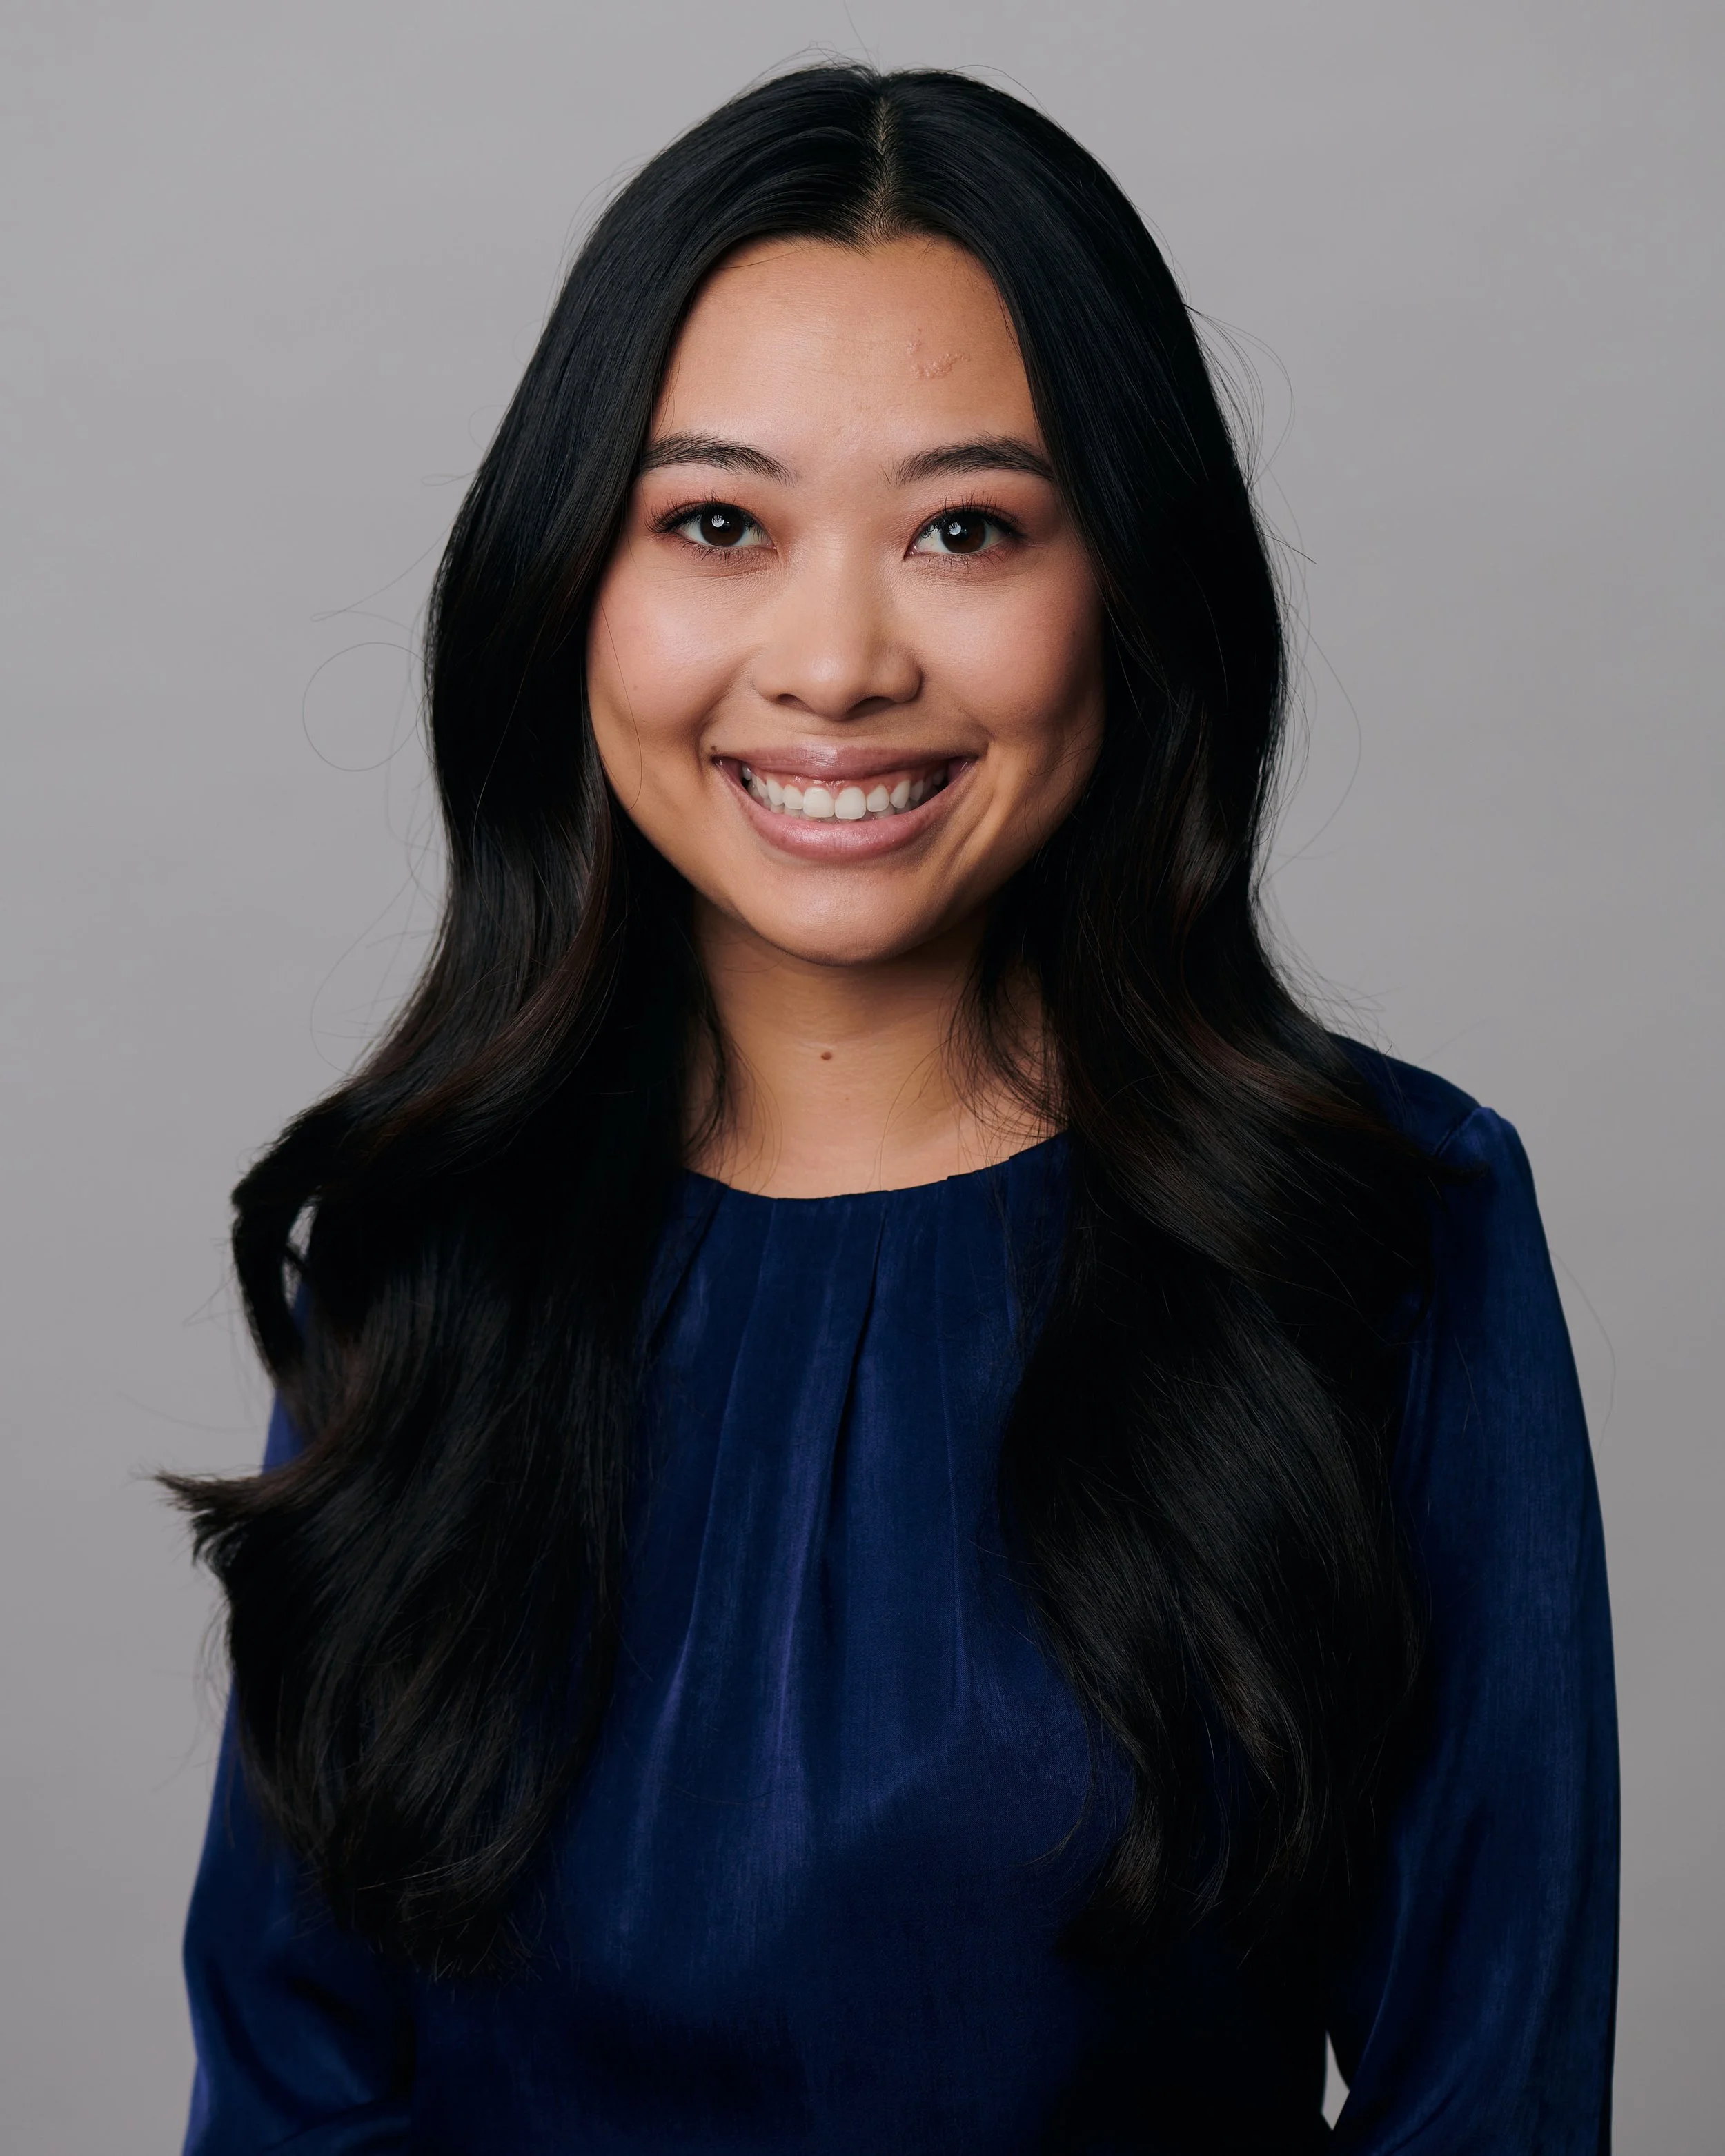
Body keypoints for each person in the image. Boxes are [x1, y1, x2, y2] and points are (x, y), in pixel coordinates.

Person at [170, 63, 1617, 2155]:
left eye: (964, 527)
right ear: (573, 577)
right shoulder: (424, 1237)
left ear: (1125, 585)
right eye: (716, 524)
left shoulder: (1385, 1232)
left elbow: (1485, 2100)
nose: (833, 661)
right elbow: (291, 2090)